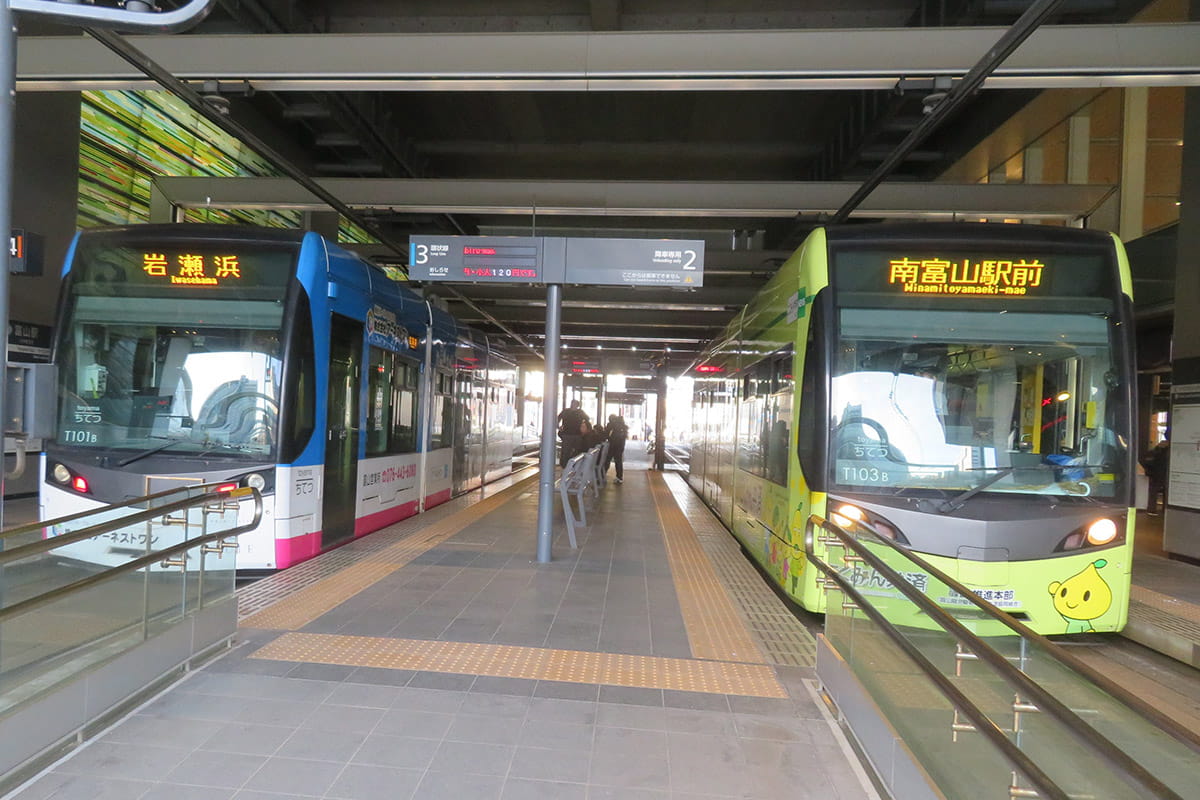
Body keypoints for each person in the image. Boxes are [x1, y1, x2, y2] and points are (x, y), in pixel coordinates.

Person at [1140, 433, 1170, 514]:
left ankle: (1151, 509)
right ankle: (1165, 510)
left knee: (1153, 492)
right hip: (1164, 474)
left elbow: (1145, 459)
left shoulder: (1157, 448)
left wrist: (1148, 470)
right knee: (1166, 492)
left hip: (1155, 474)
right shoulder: (1168, 449)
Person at [557, 400, 590, 468]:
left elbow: (558, 418)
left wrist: (558, 427)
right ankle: (569, 466)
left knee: (568, 451)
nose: (574, 405)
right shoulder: (579, 412)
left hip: (570, 434)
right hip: (573, 434)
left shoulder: (566, 411)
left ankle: (566, 466)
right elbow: (587, 419)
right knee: (572, 451)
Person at [605, 414, 628, 483]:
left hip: (613, 445)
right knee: (618, 461)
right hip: (620, 445)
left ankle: (603, 474)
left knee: (607, 460)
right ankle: (619, 477)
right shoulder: (622, 425)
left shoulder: (611, 425)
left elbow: (606, 434)